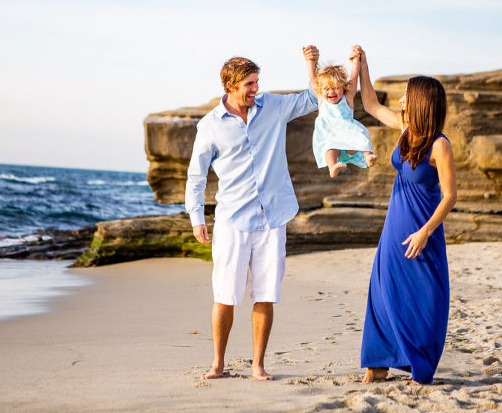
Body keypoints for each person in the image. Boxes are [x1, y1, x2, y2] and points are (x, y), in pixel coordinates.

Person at [185, 51, 319, 380]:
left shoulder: (273, 106)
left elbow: (313, 97)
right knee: (225, 296)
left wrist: (312, 64)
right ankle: (218, 364)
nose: (255, 89)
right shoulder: (210, 126)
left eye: (257, 82)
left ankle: (258, 365)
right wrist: (197, 217)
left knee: (266, 294)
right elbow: (196, 176)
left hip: (273, 218)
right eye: (249, 84)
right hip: (232, 221)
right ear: (230, 85)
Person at [351, 45, 457, 385]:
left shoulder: (440, 145)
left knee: (425, 300)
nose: (401, 100)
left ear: (422, 102)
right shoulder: (404, 130)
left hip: (423, 232)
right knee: (383, 295)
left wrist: (425, 232)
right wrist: (363, 66)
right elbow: (370, 105)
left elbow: (451, 195)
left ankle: (419, 366)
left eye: (407, 96)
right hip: (394, 228)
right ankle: (377, 365)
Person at [308, 54, 377, 178]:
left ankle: (367, 156)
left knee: (361, 135)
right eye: (326, 89)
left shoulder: (347, 98)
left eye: (335, 88)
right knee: (329, 148)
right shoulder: (321, 99)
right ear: (320, 89)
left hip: (348, 136)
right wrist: (310, 60)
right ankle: (332, 167)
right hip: (330, 134)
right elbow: (313, 78)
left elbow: (354, 77)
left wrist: (356, 60)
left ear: (343, 87)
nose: (331, 91)